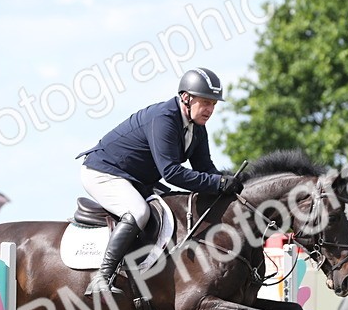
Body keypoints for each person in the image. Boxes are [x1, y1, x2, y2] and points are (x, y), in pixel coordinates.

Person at [77, 67, 244, 296]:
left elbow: (205, 169)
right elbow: (172, 173)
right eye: (205, 102)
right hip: (104, 172)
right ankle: (102, 277)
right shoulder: (164, 118)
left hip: (136, 179)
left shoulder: (197, 128)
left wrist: (228, 184)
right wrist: (217, 183)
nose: (210, 109)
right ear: (186, 97)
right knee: (138, 211)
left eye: (214, 104)